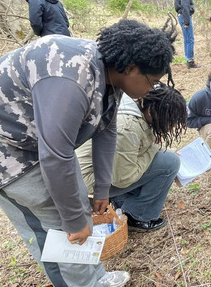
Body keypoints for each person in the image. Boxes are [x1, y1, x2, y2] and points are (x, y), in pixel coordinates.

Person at [0, 19, 177, 287]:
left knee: (78, 205)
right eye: (151, 81)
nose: (150, 89)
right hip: (1, 147)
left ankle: (94, 279)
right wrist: (71, 219)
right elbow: (56, 154)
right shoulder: (70, 78)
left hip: (39, 144)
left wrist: (102, 190)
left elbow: (107, 129)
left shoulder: (110, 72)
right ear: (131, 69)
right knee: (60, 229)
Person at [77, 85, 188, 232]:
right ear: (151, 111)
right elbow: (123, 178)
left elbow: (135, 149)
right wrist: (154, 149)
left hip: (95, 171)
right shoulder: (128, 128)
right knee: (169, 163)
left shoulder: (134, 104)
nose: (171, 126)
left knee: (165, 157)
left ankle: (122, 201)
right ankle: (139, 215)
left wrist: (162, 149)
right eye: (169, 121)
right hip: (88, 184)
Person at [174, 0, 201, 69]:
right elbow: (185, 6)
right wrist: (187, 21)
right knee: (190, 39)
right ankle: (190, 61)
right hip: (184, 16)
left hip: (180, 15)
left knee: (186, 39)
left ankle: (188, 59)